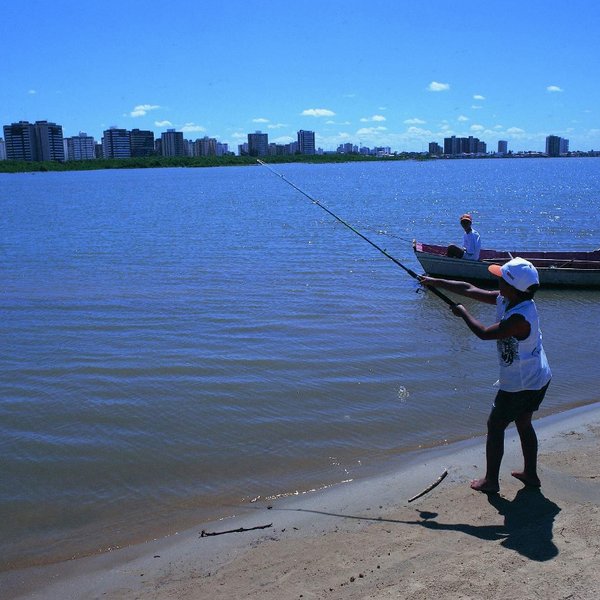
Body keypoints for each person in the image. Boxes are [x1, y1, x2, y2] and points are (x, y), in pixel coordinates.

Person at [420, 257, 552, 493]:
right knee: (523, 422)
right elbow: (468, 289)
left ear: (513, 287)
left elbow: (483, 333)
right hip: (537, 376)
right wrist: (434, 281)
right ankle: (530, 474)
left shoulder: (520, 318)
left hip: (521, 383)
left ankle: (491, 481)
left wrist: (463, 313)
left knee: (495, 425)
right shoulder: (508, 298)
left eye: (501, 278)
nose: (497, 280)